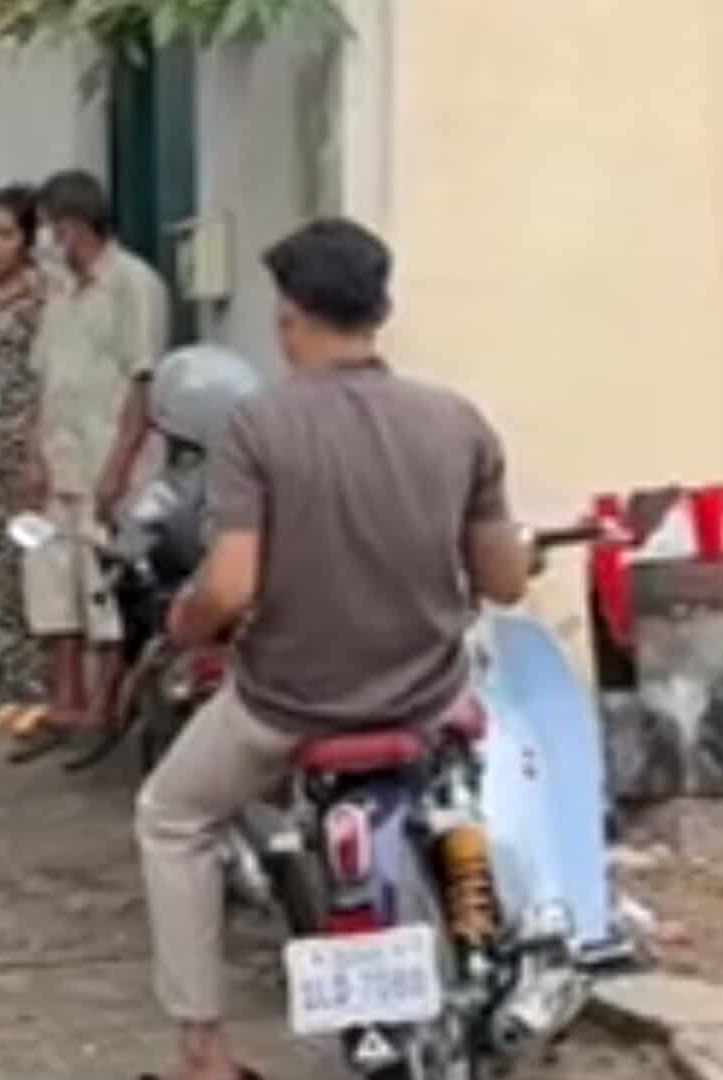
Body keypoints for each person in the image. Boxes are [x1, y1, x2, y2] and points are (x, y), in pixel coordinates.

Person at [135, 218, 533, 1080]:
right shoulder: (456, 423)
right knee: (489, 774)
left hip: (288, 705)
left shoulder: (257, 427)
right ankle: (509, 946)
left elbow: (229, 587)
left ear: (289, 315)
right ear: (380, 310)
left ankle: (202, 1049)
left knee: (171, 817)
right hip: (423, 698)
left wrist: (183, 625)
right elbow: (503, 582)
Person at [14, 168, 168, 764]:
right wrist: (33, 452)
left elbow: (142, 382)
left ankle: (105, 709)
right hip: (60, 461)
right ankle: (66, 702)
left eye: (53, 227)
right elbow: (43, 380)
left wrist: (119, 468)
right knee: (51, 582)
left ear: (76, 225)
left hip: (109, 462)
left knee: (105, 589)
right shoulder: (59, 293)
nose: (47, 241)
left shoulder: (134, 285)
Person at [0, 183, 50, 738]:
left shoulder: (43, 298)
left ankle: (45, 690)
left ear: (27, 239)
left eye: (4, 233)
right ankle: (15, 684)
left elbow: (49, 377)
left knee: (33, 567)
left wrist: (38, 450)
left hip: (31, 453)